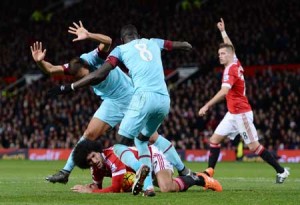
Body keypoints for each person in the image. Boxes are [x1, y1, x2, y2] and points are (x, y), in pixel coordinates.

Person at [31, 22, 192, 185]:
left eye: (84, 76)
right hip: (111, 102)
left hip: (130, 96)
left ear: (88, 65)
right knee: (89, 134)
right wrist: (39, 62)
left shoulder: (95, 57)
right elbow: (50, 69)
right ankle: (65, 172)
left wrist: (89, 35)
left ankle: (183, 170)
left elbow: (107, 41)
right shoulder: (73, 67)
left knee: (151, 137)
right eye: (79, 79)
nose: (84, 80)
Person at [198, 18, 289, 184]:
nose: (220, 56)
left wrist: (207, 105)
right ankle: (209, 173)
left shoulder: (230, 70)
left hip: (241, 113)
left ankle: (282, 171)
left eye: (223, 54)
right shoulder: (235, 61)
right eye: (218, 54)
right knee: (214, 140)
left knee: (254, 147)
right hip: (232, 113)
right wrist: (223, 32)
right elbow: (230, 47)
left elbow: (224, 91)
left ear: (230, 55)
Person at [70, 139, 222, 194]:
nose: (94, 161)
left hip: (152, 156)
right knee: (167, 184)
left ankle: (197, 178)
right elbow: (98, 187)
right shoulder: (95, 169)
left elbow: (116, 188)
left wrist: (91, 193)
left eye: (94, 155)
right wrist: (89, 187)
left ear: (98, 150)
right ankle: (196, 178)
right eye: (89, 160)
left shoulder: (112, 156)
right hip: (142, 170)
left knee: (166, 188)